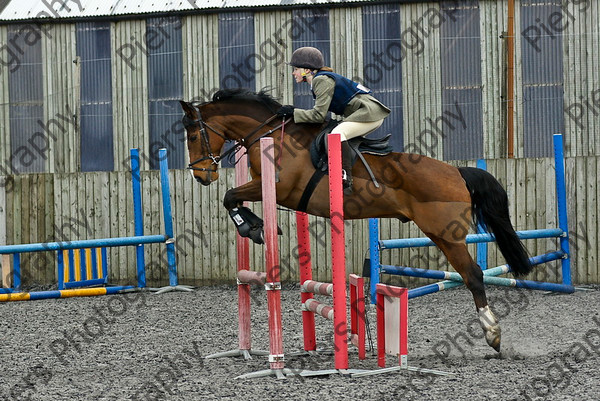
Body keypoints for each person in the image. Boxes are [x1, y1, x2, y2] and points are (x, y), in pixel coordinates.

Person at [277, 46, 390, 194]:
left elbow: (318, 116)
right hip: (366, 114)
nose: (293, 72)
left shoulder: (321, 80)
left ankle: (345, 178)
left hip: (368, 114)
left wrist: (293, 112)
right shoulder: (319, 79)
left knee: (336, 135)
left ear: (307, 70)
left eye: (296, 68)